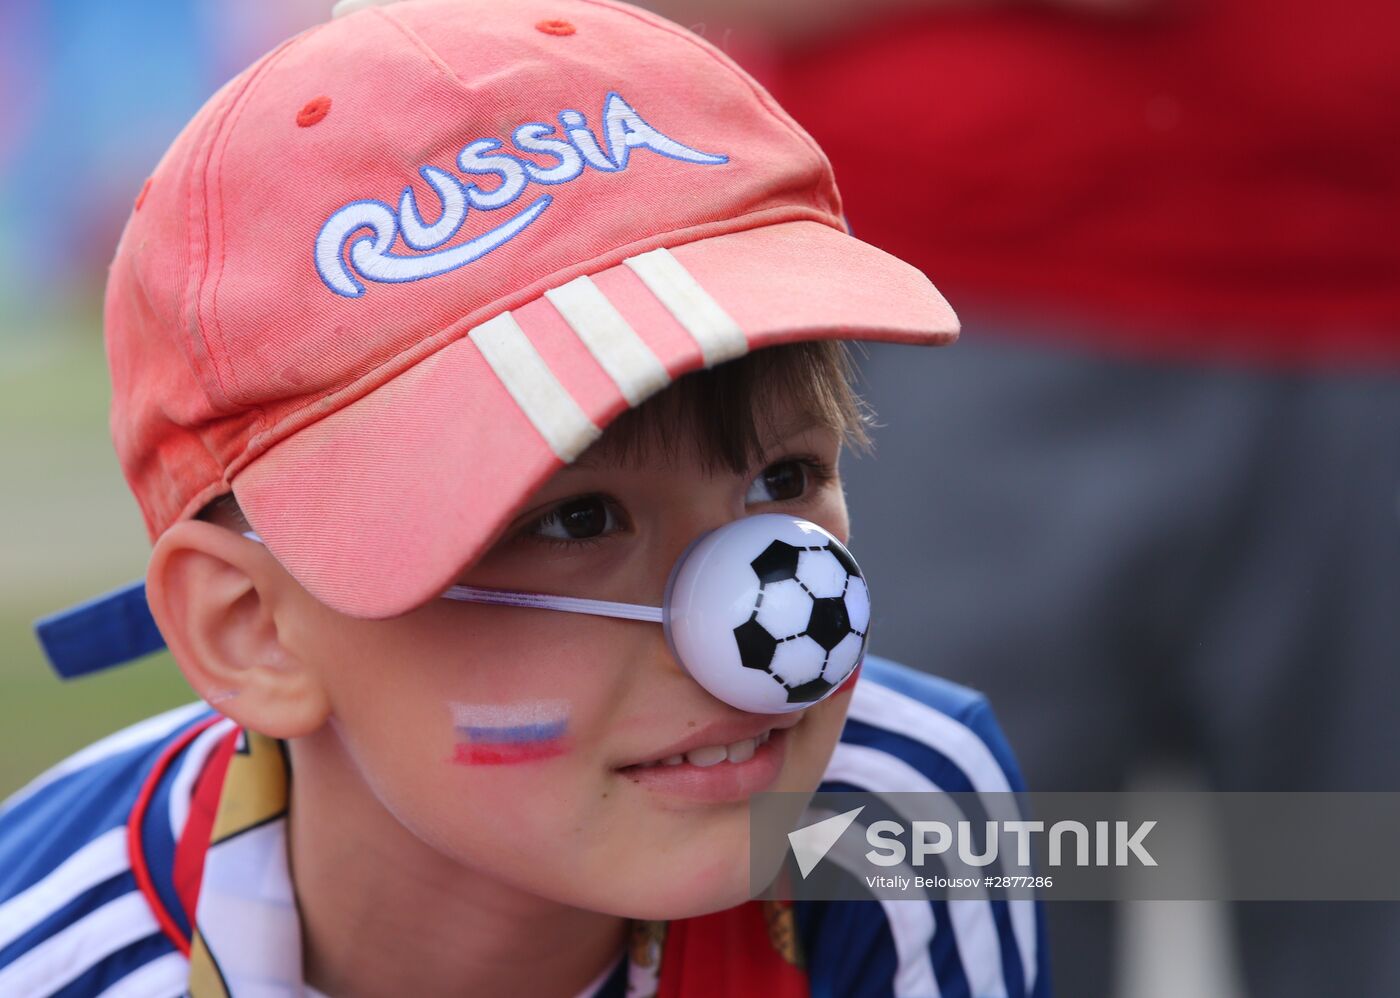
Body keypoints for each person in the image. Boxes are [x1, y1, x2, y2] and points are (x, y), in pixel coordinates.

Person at [0, 1, 1051, 995]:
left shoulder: (898, 816)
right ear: (255, 628)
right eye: (575, 519)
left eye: (782, 479)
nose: (751, 633)